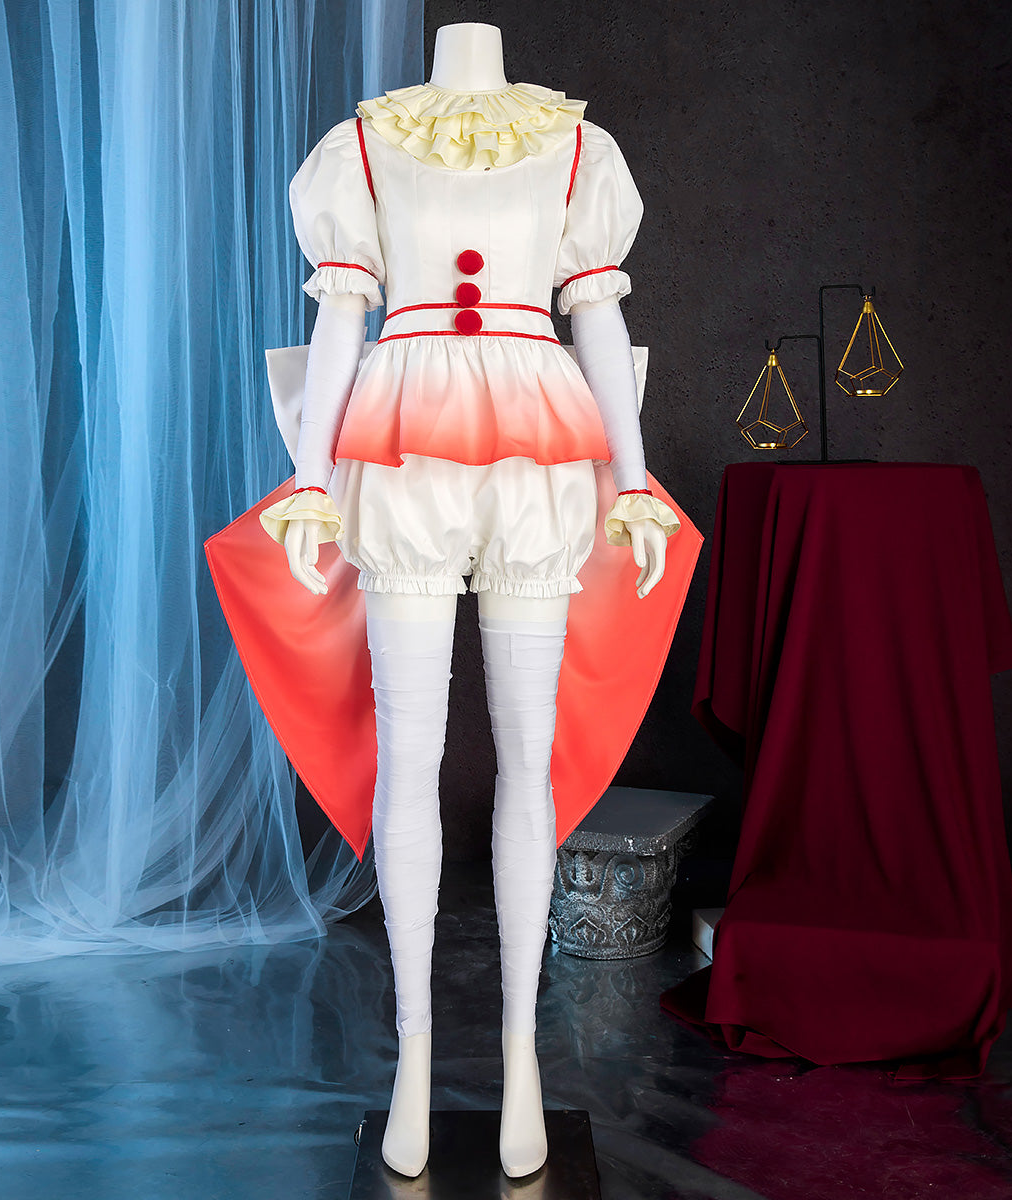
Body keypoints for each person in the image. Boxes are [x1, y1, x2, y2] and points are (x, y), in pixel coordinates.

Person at [258, 22, 681, 1180]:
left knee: (528, 762)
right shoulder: (362, 145)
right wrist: (309, 480)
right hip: (401, 448)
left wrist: (634, 482)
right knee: (410, 756)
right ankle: (413, 1048)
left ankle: (522, 1052)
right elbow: (340, 311)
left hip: (538, 450)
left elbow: (598, 313)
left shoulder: (578, 147)